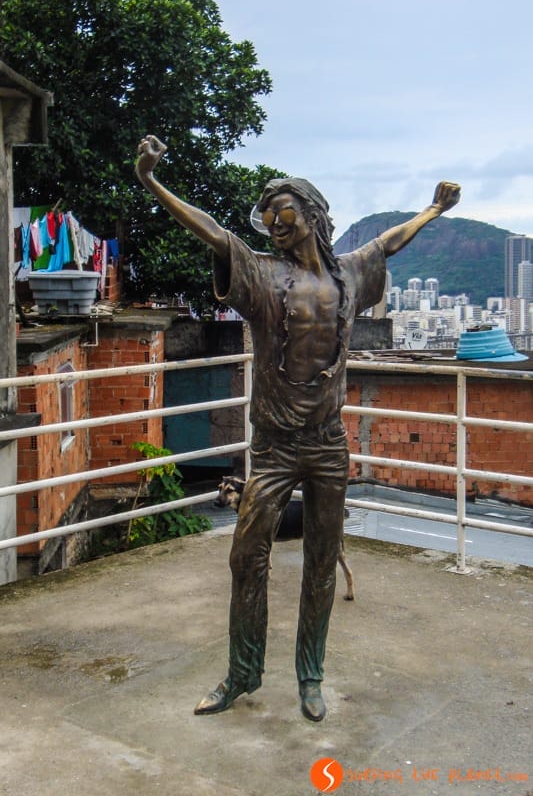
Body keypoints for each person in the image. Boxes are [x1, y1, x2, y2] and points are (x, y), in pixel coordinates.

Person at [135, 135, 460, 721]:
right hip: (276, 447)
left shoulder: (350, 276)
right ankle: (243, 672)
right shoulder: (261, 278)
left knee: (321, 557)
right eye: (267, 219)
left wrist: (433, 210)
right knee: (246, 555)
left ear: (311, 215)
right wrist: (152, 182)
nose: (273, 224)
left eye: (282, 213)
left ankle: (311, 674)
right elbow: (213, 232)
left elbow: (388, 241)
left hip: (328, 444)